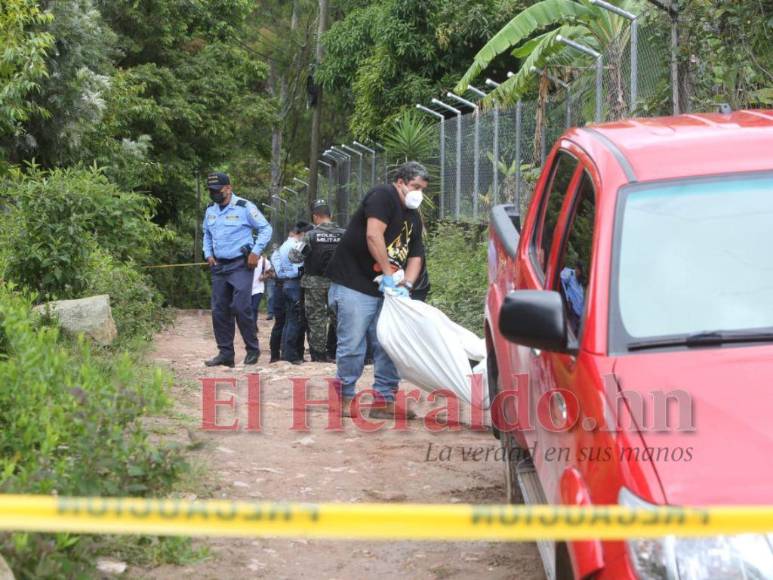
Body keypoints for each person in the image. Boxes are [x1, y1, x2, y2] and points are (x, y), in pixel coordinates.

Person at [326, 161, 429, 419]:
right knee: (353, 343)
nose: (419, 193)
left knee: (389, 343)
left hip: (388, 290)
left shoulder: (413, 216)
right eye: (415, 186)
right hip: (355, 282)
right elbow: (374, 235)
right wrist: (388, 274)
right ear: (400, 182)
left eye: (423, 188)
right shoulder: (383, 196)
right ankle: (344, 396)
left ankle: (384, 399)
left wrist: (405, 285)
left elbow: (416, 255)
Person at [202, 172, 272, 368]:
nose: (214, 194)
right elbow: (206, 234)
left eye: (217, 191)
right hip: (219, 266)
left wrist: (256, 252)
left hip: (240, 265)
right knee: (219, 310)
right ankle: (225, 353)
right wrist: (208, 253)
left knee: (241, 307)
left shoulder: (245, 207)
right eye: (211, 191)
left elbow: (266, 229)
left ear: (228, 188)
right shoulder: (210, 210)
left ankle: (252, 349)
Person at [290, 200, 345, 362]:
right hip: (338, 283)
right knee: (340, 318)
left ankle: (318, 355)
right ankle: (341, 351)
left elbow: (294, 257)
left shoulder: (310, 236)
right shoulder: (344, 234)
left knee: (316, 319)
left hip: (314, 283)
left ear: (315, 217)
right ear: (331, 215)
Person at [269, 226, 305, 365]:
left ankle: (275, 355)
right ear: (298, 233)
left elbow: (277, 268)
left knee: (281, 322)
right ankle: (290, 353)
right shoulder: (294, 246)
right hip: (291, 284)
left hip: (280, 285)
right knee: (293, 320)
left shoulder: (279, 250)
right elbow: (297, 269)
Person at [250, 254, 273, 331]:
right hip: (247, 288)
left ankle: (252, 326)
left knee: (254, 308)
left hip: (258, 289)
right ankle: (251, 325)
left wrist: (264, 277)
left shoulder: (264, 262)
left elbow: (270, 273)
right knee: (248, 308)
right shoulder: (247, 259)